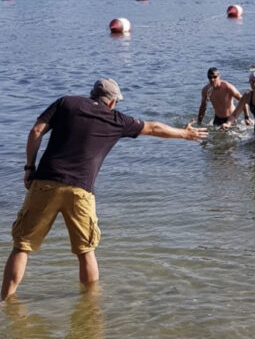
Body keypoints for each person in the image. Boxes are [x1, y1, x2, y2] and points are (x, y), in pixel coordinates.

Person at [1, 78, 207, 301]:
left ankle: (5, 302)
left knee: (22, 247)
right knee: (86, 252)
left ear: (92, 95)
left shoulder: (66, 103)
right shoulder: (116, 119)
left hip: (45, 182)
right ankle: (90, 307)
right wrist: (185, 134)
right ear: (111, 103)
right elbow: (153, 127)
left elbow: (36, 131)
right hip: (81, 191)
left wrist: (29, 168)